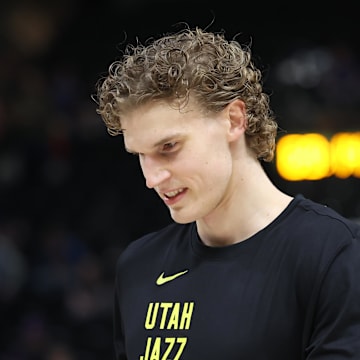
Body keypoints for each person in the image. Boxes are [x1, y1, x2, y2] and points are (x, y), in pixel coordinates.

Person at [94, 26, 360, 360]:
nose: (152, 177)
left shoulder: (335, 254)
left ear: (234, 120)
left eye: (169, 146)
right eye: (140, 155)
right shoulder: (138, 265)